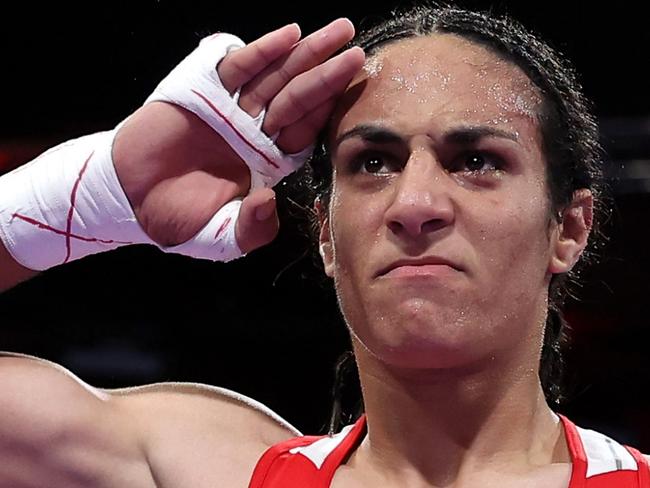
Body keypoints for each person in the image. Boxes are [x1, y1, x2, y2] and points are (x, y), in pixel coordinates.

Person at [0, 3, 646, 488]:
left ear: (568, 228)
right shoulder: (204, 468)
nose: (415, 204)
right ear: (326, 233)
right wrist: (86, 196)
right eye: (373, 163)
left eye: (475, 159)